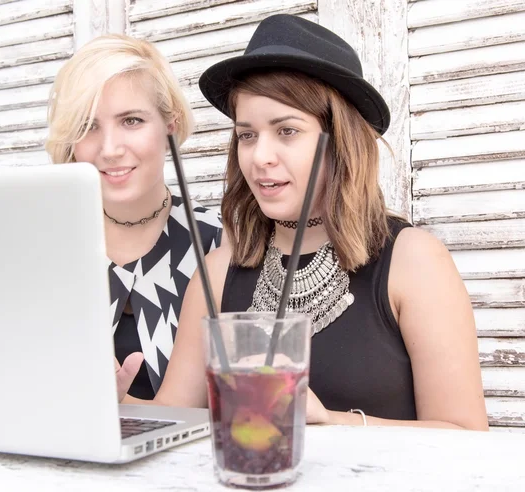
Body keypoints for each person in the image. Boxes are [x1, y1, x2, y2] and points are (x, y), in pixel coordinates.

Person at [119, 15, 489, 430]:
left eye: (287, 131)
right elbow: (175, 421)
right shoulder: (219, 271)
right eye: (247, 135)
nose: (260, 157)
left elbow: (466, 435)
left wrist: (330, 420)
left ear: (341, 141)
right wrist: (116, 402)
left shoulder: (414, 260)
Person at [45, 34, 224, 399]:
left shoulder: (221, 245)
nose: (109, 149)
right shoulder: (48, 247)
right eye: (87, 126)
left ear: (170, 124)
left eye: (131, 120)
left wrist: (118, 402)